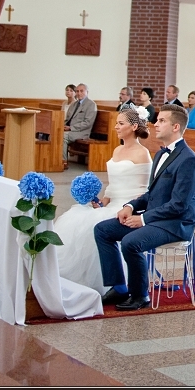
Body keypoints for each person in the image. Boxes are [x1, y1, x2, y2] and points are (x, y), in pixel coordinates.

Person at [94, 105, 195, 311]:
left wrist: (143, 219)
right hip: (157, 218)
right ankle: (119, 286)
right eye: (157, 120)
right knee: (103, 230)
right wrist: (130, 206)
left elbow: (179, 205)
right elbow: (151, 194)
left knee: (130, 242)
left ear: (176, 126)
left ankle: (140, 295)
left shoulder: (188, 159)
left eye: (161, 121)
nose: (155, 124)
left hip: (174, 223)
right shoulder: (161, 155)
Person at [52, 108, 152, 294]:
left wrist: (127, 207)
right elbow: (113, 184)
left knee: (94, 226)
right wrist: (103, 201)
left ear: (134, 127)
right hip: (112, 203)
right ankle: (74, 279)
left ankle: (115, 285)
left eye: (121, 124)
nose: (116, 127)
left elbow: (143, 191)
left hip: (128, 207)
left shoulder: (142, 153)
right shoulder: (117, 149)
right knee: (74, 218)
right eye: (116, 123)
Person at [64, 84, 98, 163]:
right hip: (70, 130)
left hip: (82, 132)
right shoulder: (74, 104)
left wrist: (71, 128)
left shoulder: (91, 105)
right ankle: (55, 159)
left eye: (81, 91)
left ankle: (63, 161)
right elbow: (68, 119)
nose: (79, 93)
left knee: (62, 136)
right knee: (55, 133)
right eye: (77, 91)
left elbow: (87, 123)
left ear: (87, 92)